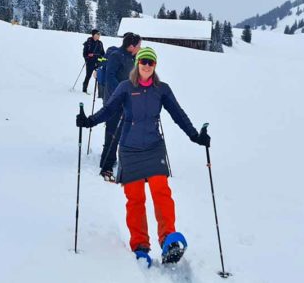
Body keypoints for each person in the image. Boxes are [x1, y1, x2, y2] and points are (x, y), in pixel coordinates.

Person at [76, 46, 210, 266]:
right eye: (143, 61)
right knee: (135, 199)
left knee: (162, 192)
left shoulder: (162, 89)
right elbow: (109, 110)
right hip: (129, 148)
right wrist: (88, 121)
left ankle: (168, 240)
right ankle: (140, 246)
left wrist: (195, 136)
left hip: (154, 147)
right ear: (137, 63)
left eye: (151, 62)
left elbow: (178, 114)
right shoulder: (125, 87)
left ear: (155, 66)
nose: (147, 66)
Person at [97, 32, 140, 181]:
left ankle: (113, 158)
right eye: (139, 45)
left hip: (126, 101)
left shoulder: (131, 57)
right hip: (114, 101)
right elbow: (110, 77)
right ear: (131, 46)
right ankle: (106, 164)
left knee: (121, 131)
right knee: (112, 131)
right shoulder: (116, 56)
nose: (140, 48)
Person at [81, 30, 105, 95]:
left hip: (98, 62)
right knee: (88, 76)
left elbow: (103, 53)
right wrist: (88, 57)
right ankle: (84, 90)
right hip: (90, 62)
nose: (99, 36)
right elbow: (84, 54)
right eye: (97, 34)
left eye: (99, 34)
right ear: (93, 35)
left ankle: (100, 92)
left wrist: (103, 59)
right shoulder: (88, 43)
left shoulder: (100, 43)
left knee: (99, 76)